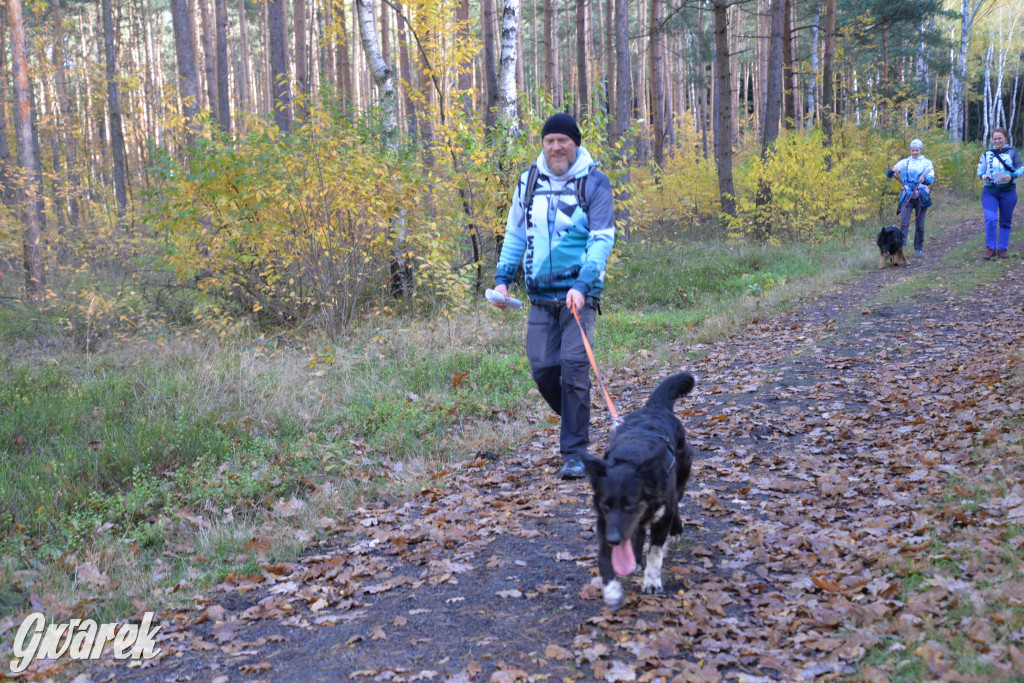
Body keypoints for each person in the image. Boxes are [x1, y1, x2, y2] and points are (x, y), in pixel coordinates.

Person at [490, 113, 616, 479]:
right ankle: (577, 421)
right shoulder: (528, 181)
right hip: (539, 297)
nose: (557, 147)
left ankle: (574, 453)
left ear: (575, 143)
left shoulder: (595, 182)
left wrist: (582, 284)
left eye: (564, 140)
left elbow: (602, 239)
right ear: (543, 144)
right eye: (550, 141)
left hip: (579, 297)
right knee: (544, 370)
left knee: (575, 369)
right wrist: (502, 280)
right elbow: (515, 235)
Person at [977, 127, 1023, 260]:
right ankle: (990, 248)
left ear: (1005, 138)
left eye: (1000, 138)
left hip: (1008, 192)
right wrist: (983, 176)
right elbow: (979, 171)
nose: (997, 141)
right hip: (990, 191)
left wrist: (1011, 176)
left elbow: (1021, 169)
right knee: (991, 219)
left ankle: (1002, 248)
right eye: (995, 138)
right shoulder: (987, 154)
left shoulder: (1013, 152)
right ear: (992, 140)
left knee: (1005, 220)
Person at [886, 139, 935, 259]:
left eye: (917, 150)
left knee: (920, 224)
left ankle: (918, 248)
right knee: (903, 224)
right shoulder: (904, 162)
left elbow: (931, 178)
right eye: (913, 150)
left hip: (921, 196)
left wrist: (926, 180)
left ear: (921, 150)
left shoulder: (927, 162)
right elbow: (892, 172)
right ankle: (900, 250)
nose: (915, 152)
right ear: (910, 150)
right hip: (907, 195)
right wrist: (891, 171)